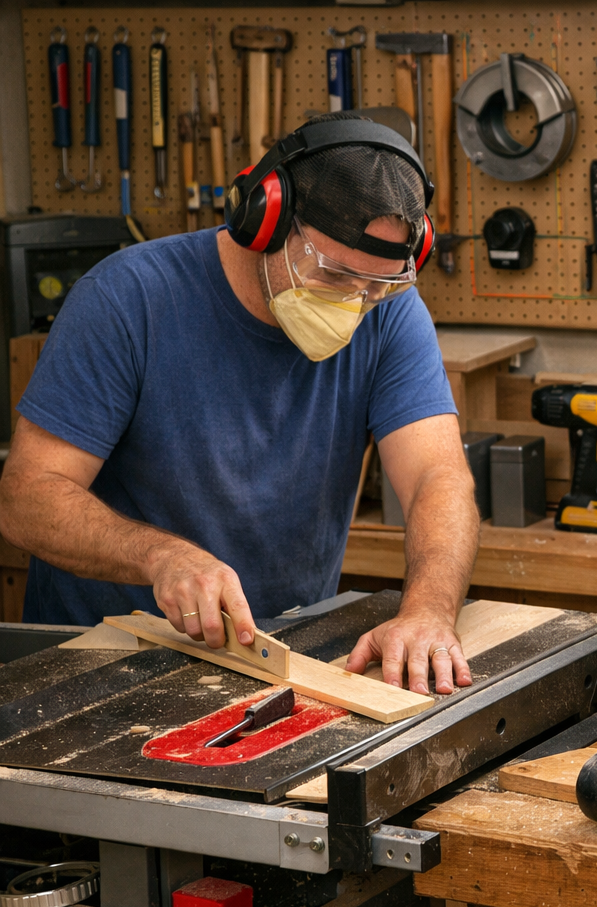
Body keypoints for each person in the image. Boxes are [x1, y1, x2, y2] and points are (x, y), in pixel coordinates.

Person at [0, 114, 479, 695]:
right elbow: (26, 497)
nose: (356, 306)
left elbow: (437, 477)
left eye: (376, 288)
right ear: (266, 221)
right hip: (101, 669)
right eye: (335, 277)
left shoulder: (390, 312)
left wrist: (427, 610)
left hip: (280, 667)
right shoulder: (127, 299)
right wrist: (159, 557)